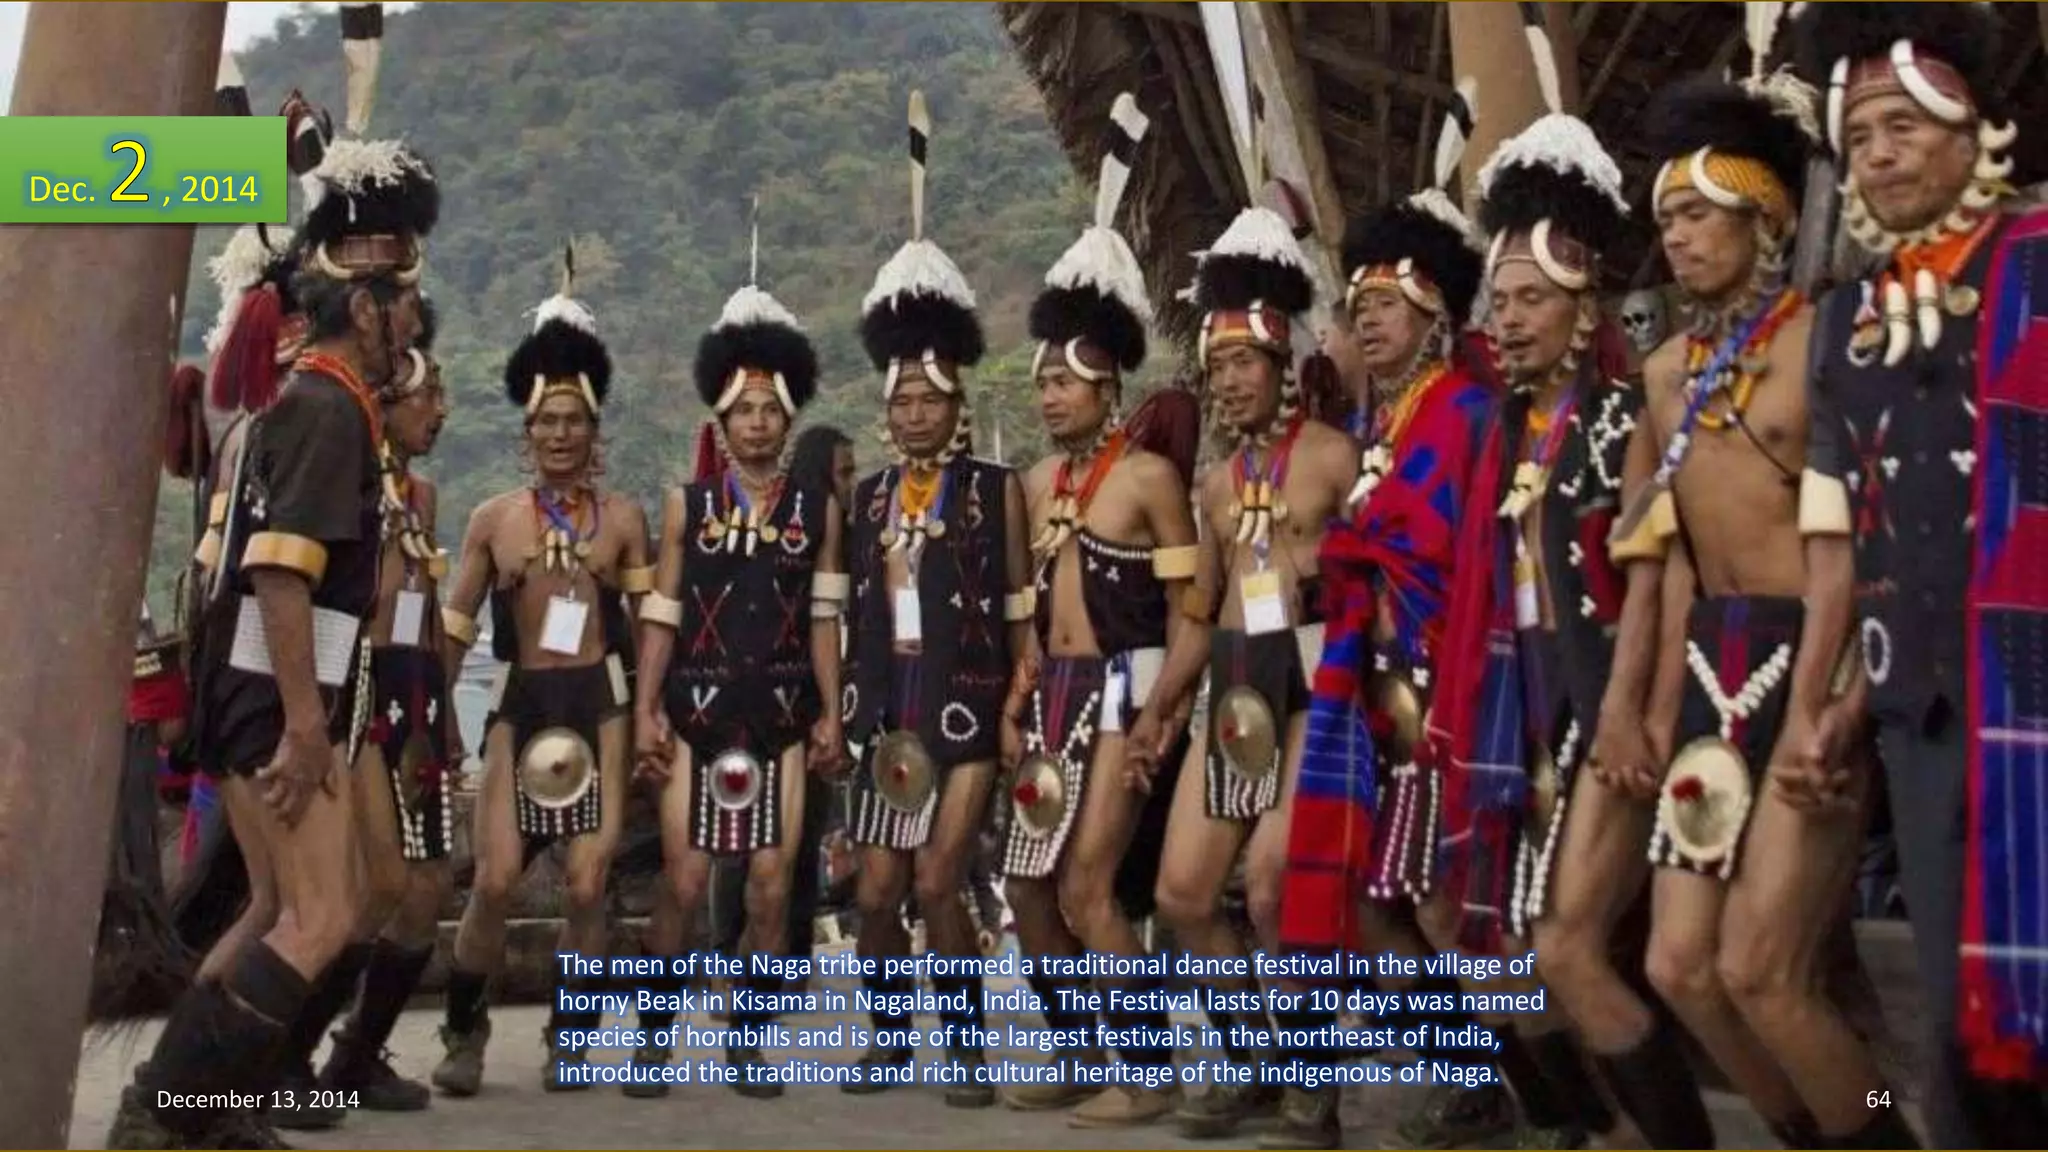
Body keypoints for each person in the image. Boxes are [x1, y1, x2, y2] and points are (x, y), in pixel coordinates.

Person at [105, 134, 438, 1150]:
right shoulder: (327, 409)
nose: (412, 321)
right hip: (272, 692)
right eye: (403, 303)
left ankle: (191, 1107)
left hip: (256, 686)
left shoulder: (318, 403)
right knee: (322, 915)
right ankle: (166, 1119)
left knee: (268, 910)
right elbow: (281, 574)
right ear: (367, 309)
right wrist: (303, 725)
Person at [1625, 69, 1911, 1148]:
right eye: (1665, 218)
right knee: (1680, 968)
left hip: (1811, 659)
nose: (1675, 236)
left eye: (1699, 213)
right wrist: (1657, 708)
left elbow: (1852, 546)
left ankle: (1883, 1129)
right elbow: (1677, 567)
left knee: (1762, 971)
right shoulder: (1665, 376)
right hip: (1711, 671)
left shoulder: (1826, 342)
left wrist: (1821, 704)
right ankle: (1816, 1131)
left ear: (1766, 218)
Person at [1787, 4, 2048, 1144]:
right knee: (1960, 1020)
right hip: (1924, 711)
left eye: (1903, 125)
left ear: (1971, 130)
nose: (1879, 153)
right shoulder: (1840, 324)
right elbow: (1844, 536)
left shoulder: (2037, 264)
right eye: (1858, 136)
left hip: (2034, 685)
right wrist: (1826, 702)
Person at [1427, 106, 1664, 1148]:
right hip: (1512, 706)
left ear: (1583, 308)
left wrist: (1630, 708)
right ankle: (1583, 1123)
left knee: (1570, 947)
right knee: (1493, 950)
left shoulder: (1623, 418)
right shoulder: (1500, 432)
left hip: (1602, 698)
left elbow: (1656, 583)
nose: (1511, 321)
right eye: (1502, 302)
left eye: (1533, 300)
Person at [1270, 115, 1505, 1149]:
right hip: (1371, 699)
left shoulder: (1467, 412)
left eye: (1383, 306)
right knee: (1374, 903)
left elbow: (1467, 557)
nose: (1363, 322)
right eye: (1356, 307)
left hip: (1444, 691)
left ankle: (1536, 1090)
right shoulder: (1380, 422)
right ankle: (1464, 1077)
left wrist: (1362, 561)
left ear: (1433, 311)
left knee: (1451, 907)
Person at [996, 91, 1202, 1128]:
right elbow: (1025, 610)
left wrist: (1166, 709)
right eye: (1039, 383)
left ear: (1106, 380)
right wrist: (1019, 681)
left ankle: (1150, 1070)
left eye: (1063, 383)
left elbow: (1192, 611)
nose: (1047, 396)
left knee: (1085, 885)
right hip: (1053, 699)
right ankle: (1083, 1052)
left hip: (1125, 694)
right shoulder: (1035, 486)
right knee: (1026, 889)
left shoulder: (1150, 478)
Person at [1142, 194, 1356, 1148]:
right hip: (1232, 690)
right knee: (1183, 894)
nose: (1227, 381)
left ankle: (1314, 1087)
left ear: (1280, 363)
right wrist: (1159, 710)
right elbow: (1202, 610)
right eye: (1216, 365)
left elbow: (1377, 579)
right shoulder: (1216, 486)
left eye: (1243, 362)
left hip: (1309, 688)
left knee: (1272, 885)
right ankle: (1256, 1062)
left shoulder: (1335, 460)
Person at [839, 90, 1031, 1105]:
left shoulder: (997, 492)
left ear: (959, 402)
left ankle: (963, 1047)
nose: (917, 411)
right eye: (903, 399)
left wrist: (1017, 706)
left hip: (967, 705)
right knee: (876, 890)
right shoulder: (867, 500)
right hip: (888, 709)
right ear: (887, 409)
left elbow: (1021, 614)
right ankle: (886, 1037)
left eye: (932, 397)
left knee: (936, 876)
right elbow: (848, 615)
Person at [433, 256, 651, 1094]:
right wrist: (435, 722)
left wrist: (653, 719)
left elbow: (649, 633)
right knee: (492, 881)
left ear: (595, 431)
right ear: (526, 433)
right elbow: (455, 629)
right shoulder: (494, 522)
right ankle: (463, 1032)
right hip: (520, 706)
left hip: (600, 708)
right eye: (547, 422)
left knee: (589, 886)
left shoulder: (623, 522)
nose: (560, 435)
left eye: (574, 421)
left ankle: (573, 1035)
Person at [629, 266, 844, 1095]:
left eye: (769, 410)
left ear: (789, 419)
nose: (756, 422)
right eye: (742, 410)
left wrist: (828, 713)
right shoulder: (686, 505)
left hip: (784, 716)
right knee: (684, 881)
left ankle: (748, 1038)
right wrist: (648, 708)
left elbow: (823, 618)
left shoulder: (817, 511)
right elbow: (662, 614)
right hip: (697, 712)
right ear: (720, 421)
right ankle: (654, 1038)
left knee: (769, 884)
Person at [274, 299, 456, 1120]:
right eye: (428, 395)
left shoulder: (422, 497)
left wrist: (444, 714)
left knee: (424, 882)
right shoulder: (359, 482)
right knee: (366, 887)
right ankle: (283, 1056)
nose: (440, 411)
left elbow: (426, 612)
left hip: (416, 693)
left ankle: (352, 1055)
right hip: (360, 691)